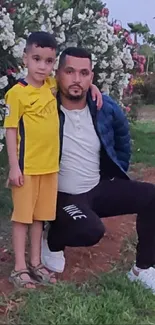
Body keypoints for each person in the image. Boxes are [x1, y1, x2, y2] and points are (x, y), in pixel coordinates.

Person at [42, 46, 155, 294]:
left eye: (84, 73)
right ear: (57, 73)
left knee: (152, 196)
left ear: (92, 77)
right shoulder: (43, 105)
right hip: (63, 196)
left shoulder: (103, 106)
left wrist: (117, 176)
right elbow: (22, 87)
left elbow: (122, 139)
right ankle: (52, 239)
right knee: (91, 231)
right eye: (69, 71)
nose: (77, 79)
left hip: (97, 187)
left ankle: (142, 269)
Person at [4, 32, 102, 289]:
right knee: (22, 218)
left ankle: (36, 263)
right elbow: (11, 130)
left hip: (50, 169)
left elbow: (76, 85)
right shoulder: (17, 93)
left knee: (39, 218)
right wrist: (14, 167)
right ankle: (19, 268)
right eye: (36, 59)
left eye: (48, 61)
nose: (42, 66)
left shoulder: (50, 86)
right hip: (27, 169)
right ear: (25, 58)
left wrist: (92, 86)